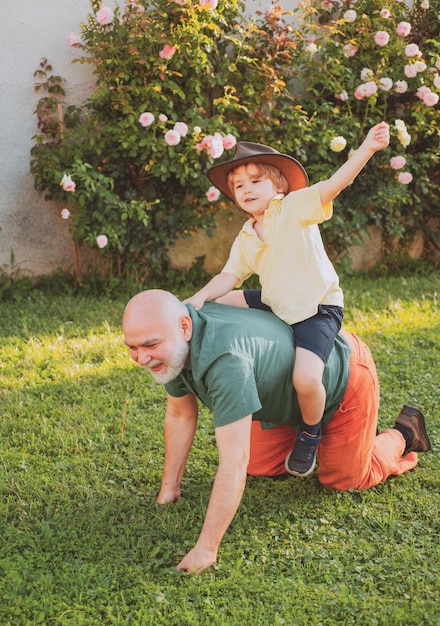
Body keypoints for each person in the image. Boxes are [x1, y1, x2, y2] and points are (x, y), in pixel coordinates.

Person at [122, 290, 431, 573]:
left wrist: (206, 549)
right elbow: (180, 414)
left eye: (149, 345)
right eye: (132, 348)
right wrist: (168, 489)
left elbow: (234, 461)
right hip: (290, 393)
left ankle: (401, 435)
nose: (141, 358)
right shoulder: (175, 346)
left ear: (185, 326)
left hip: (342, 375)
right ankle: (337, 436)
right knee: (261, 466)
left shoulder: (225, 361)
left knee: (344, 479)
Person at [184, 122, 390, 478]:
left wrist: (367, 148)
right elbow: (229, 277)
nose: (246, 189)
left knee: (307, 378)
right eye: (238, 185)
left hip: (314, 306)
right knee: (222, 302)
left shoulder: (293, 207)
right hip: (277, 300)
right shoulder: (247, 234)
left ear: (278, 185)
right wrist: (197, 299)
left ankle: (310, 433)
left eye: (255, 181)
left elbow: (334, 184)